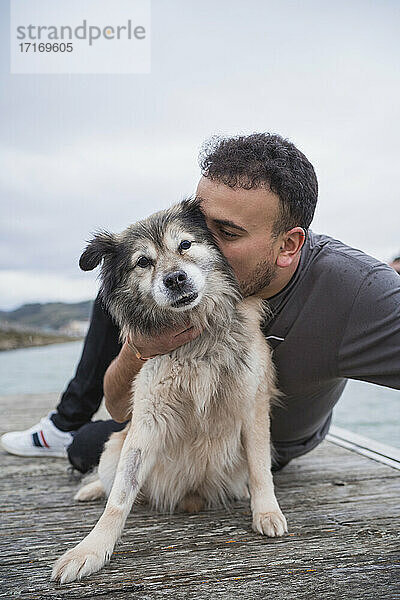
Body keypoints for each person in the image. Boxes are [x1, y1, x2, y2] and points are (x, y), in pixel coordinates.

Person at [2, 133, 399, 473]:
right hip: (185, 426)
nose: (201, 248)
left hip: (259, 448)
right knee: (126, 279)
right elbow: (122, 409)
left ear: (288, 245)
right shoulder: (193, 275)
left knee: (87, 446)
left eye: (225, 232)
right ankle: (64, 421)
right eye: (197, 226)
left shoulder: (356, 292)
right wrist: (139, 351)